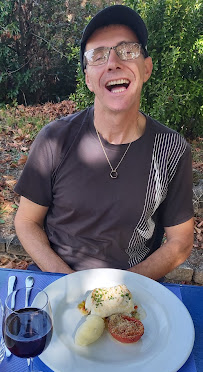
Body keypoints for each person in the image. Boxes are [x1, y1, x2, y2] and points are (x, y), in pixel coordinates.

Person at [14, 4, 194, 280]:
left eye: (127, 51)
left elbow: (180, 242)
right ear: (88, 78)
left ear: (146, 68)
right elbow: (26, 222)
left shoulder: (172, 150)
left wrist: (121, 288)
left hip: (133, 285)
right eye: (97, 56)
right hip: (57, 277)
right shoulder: (55, 140)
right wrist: (70, 284)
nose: (113, 62)